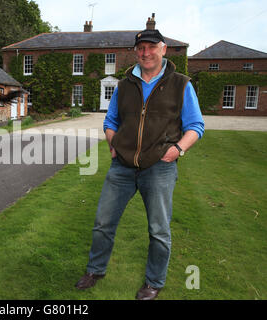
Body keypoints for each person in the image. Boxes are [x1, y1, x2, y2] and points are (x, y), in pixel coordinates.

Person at [75, 29, 205, 300]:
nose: (146, 53)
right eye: (141, 48)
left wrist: (177, 149)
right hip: (121, 167)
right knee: (103, 223)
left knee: (158, 230)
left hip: (159, 167)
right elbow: (110, 121)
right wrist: (113, 144)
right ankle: (95, 270)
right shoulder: (124, 85)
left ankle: (154, 282)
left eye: (151, 47)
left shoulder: (181, 84)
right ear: (136, 51)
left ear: (163, 49)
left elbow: (195, 126)